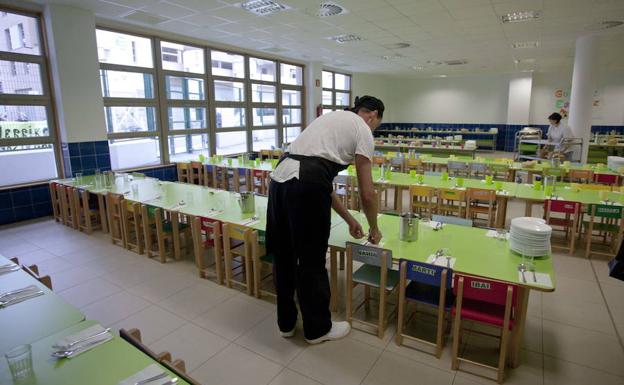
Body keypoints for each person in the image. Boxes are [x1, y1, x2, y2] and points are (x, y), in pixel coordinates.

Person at [265, 96, 384, 344]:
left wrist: (349, 218)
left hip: (279, 178)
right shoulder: (363, 129)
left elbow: (321, 183)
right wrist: (374, 227)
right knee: (312, 260)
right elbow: (367, 192)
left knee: (283, 254)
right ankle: (317, 329)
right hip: (305, 183)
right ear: (372, 115)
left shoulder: (331, 118)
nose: (373, 129)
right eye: (377, 124)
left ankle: (285, 324)